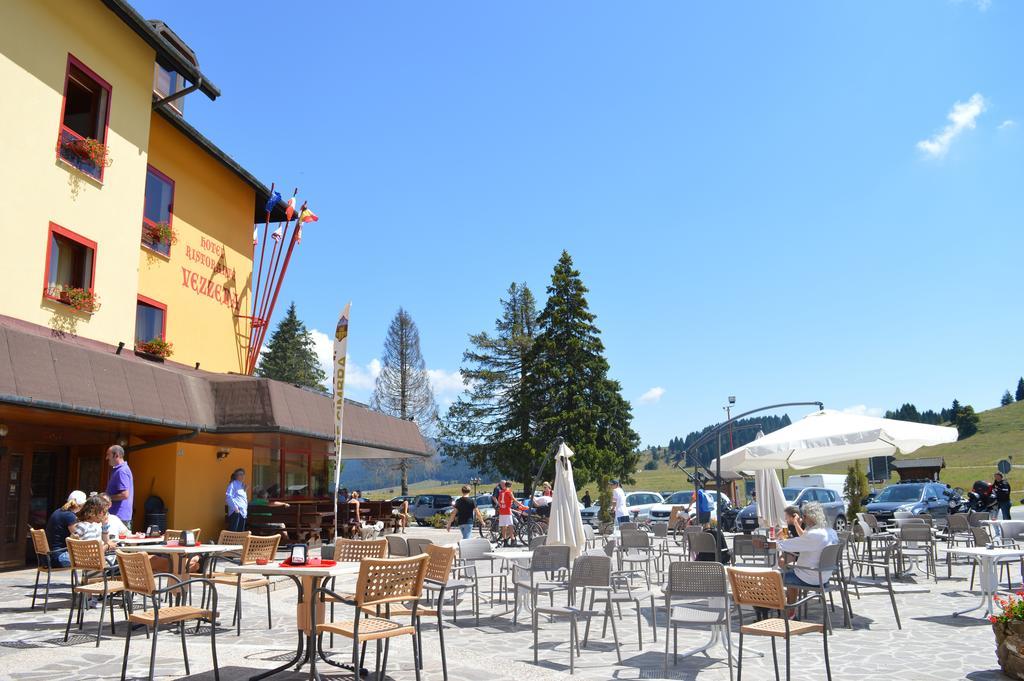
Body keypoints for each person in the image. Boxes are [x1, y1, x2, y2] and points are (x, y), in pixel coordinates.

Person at [775, 502, 838, 605]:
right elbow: (803, 539)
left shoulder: (814, 534)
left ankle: (788, 611)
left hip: (810, 577)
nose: (803, 519)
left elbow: (786, 544)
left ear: (809, 517)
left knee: (775, 577)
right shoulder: (831, 532)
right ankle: (790, 609)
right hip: (825, 576)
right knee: (791, 572)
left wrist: (770, 543)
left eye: (804, 516)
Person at [45, 491, 85, 567]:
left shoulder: (58, 511)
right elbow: (78, 538)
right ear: (81, 505)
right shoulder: (69, 516)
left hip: (49, 556)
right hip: (59, 557)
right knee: (92, 560)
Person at [104, 445, 134, 530]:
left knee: (119, 542)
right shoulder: (119, 470)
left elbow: (124, 495)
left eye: (108, 455)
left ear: (116, 455)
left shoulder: (122, 471)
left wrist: (106, 498)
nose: (106, 458)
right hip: (118, 516)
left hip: (119, 517)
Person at [497, 480, 527, 546]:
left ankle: (505, 541)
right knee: (510, 526)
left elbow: (499, 502)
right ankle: (512, 539)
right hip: (507, 511)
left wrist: (502, 506)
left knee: (504, 526)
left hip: (502, 511)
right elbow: (515, 500)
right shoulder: (509, 492)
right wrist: (523, 506)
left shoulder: (501, 492)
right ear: (510, 486)